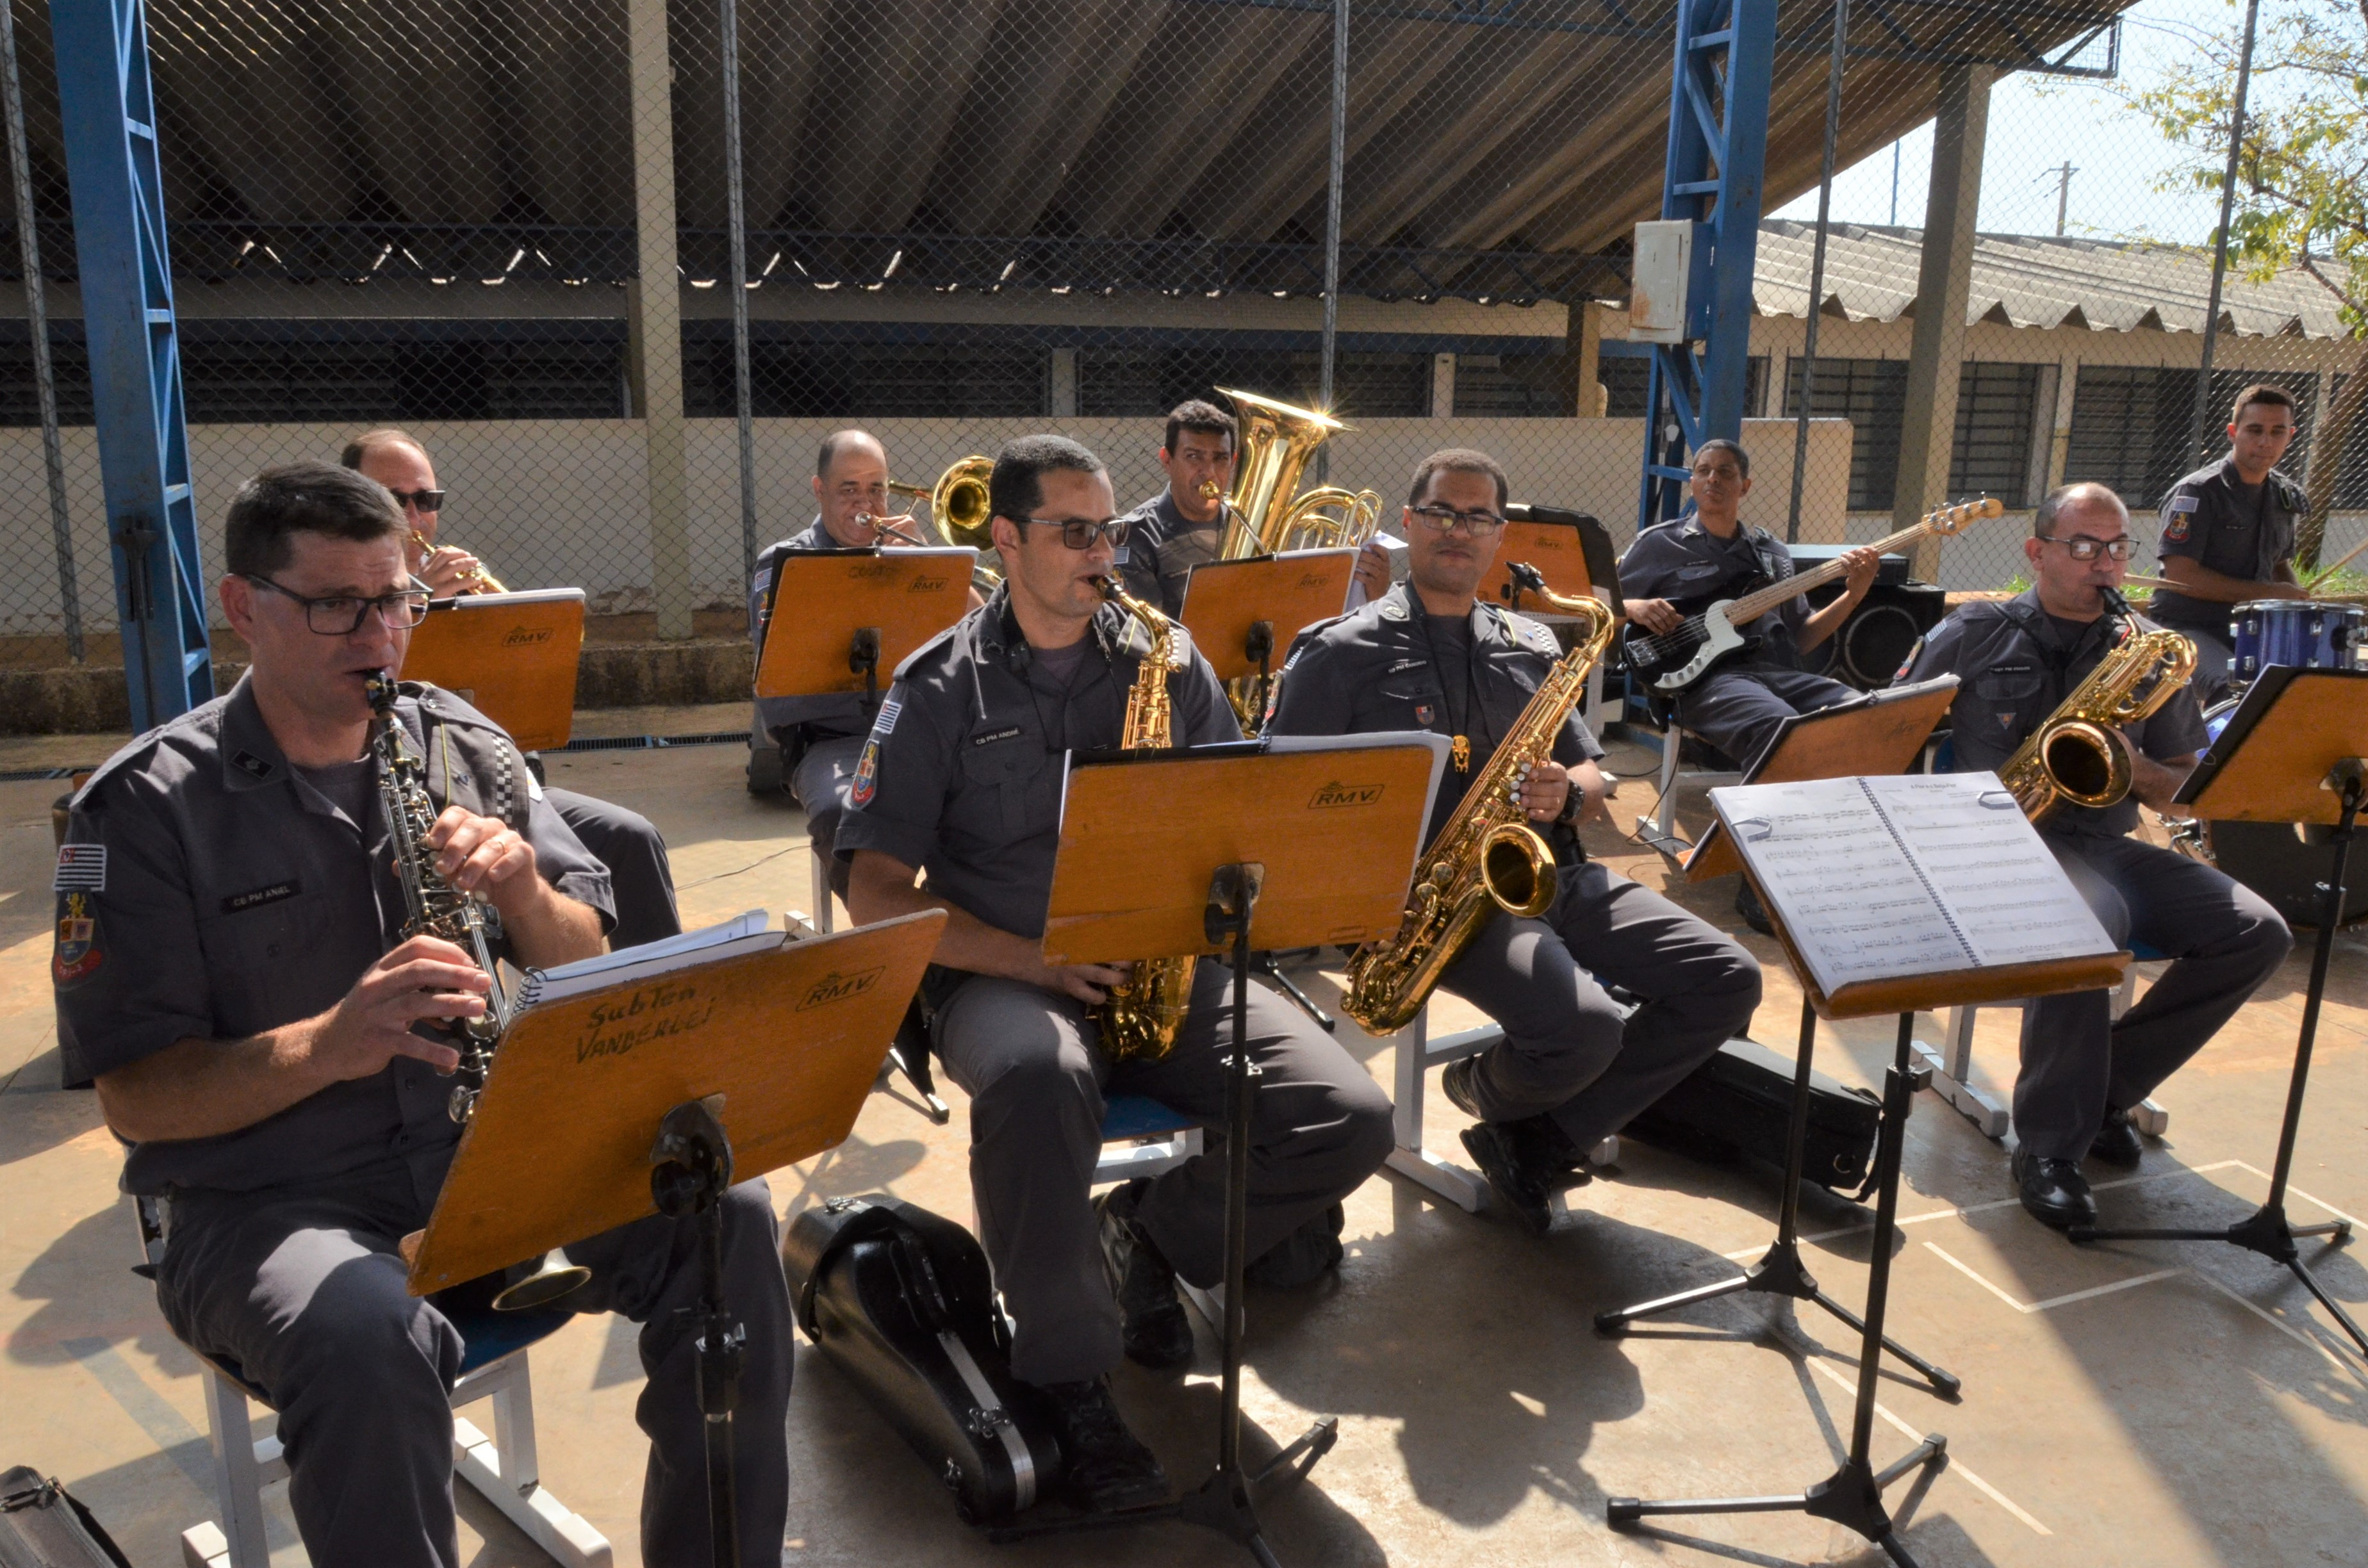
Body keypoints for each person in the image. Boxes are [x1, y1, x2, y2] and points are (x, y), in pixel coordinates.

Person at [53, 463, 793, 1568]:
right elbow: (137, 1098)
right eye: (335, 606)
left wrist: (524, 892)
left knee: (725, 1213)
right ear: (243, 606)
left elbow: (586, 957)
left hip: (491, 1157)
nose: (379, 637)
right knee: (364, 1332)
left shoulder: (463, 741)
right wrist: (325, 1044)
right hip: (273, 1198)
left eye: (395, 600)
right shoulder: (146, 807)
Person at [835, 434, 1394, 1512]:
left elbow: (1241, 818)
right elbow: (875, 895)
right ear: (1006, 540)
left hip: (1162, 962)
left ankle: (1145, 1232)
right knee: (1039, 1080)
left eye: (1110, 530)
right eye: (1077, 532)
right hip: (1001, 967)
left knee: (1348, 1114)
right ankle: (1071, 1381)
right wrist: (1032, 958)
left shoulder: (1167, 661)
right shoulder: (935, 687)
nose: (1105, 551)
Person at [1266, 447, 1762, 1232]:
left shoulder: (1530, 644)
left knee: (1727, 977)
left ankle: (1541, 1136)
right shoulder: (1338, 651)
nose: (1458, 531)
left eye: (1478, 518)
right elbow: (1284, 804)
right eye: (1441, 513)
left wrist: (1569, 790)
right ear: (1408, 523)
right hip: (1437, 905)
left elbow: (1596, 778)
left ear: (1500, 535)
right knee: (1586, 1026)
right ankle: (1484, 1089)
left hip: (1549, 871)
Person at [1899, 481, 2292, 1229]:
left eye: (2117, 548)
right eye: (2084, 546)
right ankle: (2050, 1146)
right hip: (1995, 846)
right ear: (2037, 551)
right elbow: (1888, 732)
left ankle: (2104, 1090)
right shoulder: (1973, 631)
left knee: (2257, 932)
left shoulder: (2146, 650)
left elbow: (2184, 794)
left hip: (2105, 844)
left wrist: (2135, 766)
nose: (2104, 563)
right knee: (2089, 918)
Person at [341, 429, 683, 949]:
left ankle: (659, 995)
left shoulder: (461, 594)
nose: (414, 517)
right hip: (402, 795)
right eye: (394, 500)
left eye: (426, 500)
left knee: (630, 836)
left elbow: (526, 692)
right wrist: (418, 610)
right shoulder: (342, 606)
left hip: (494, 780)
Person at [747, 429, 974, 897]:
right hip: (832, 740)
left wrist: (931, 563)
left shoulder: (911, 555)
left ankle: (959, 918)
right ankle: (885, 927)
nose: (865, 504)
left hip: (921, 732)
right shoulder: (785, 564)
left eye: (876, 489)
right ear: (819, 490)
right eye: (849, 489)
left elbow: (982, 631)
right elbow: (780, 688)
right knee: (845, 813)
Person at [1617, 438, 1880, 770]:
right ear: (1692, 482)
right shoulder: (1660, 544)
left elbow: (1801, 638)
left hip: (1777, 675)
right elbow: (1596, 604)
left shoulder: (1772, 555)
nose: (1713, 478)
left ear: (1745, 487)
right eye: (1704, 471)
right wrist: (1633, 607)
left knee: (1868, 713)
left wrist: (1853, 596)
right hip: (1704, 683)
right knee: (1781, 727)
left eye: (1725, 472)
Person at [1114, 398, 1392, 619]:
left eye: (1220, 459)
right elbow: (1148, 634)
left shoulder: (1250, 525)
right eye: (1194, 456)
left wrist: (1365, 588)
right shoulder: (1136, 535)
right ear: (1167, 460)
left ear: (1234, 461)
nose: (1209, 472)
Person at [2149, 383, 2310, 702]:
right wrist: (2268, 593)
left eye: (2277, 432)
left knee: (2312, 683)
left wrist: (2298, 603)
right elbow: (2181, 575)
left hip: (2253, 630)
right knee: (2232, 687)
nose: (2266, 442)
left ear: (2291, 436)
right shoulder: (2197, 492)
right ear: (2233, 432)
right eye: (2255, 430)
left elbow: (2278, 564)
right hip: (2187, 628)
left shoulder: (2284, 494)